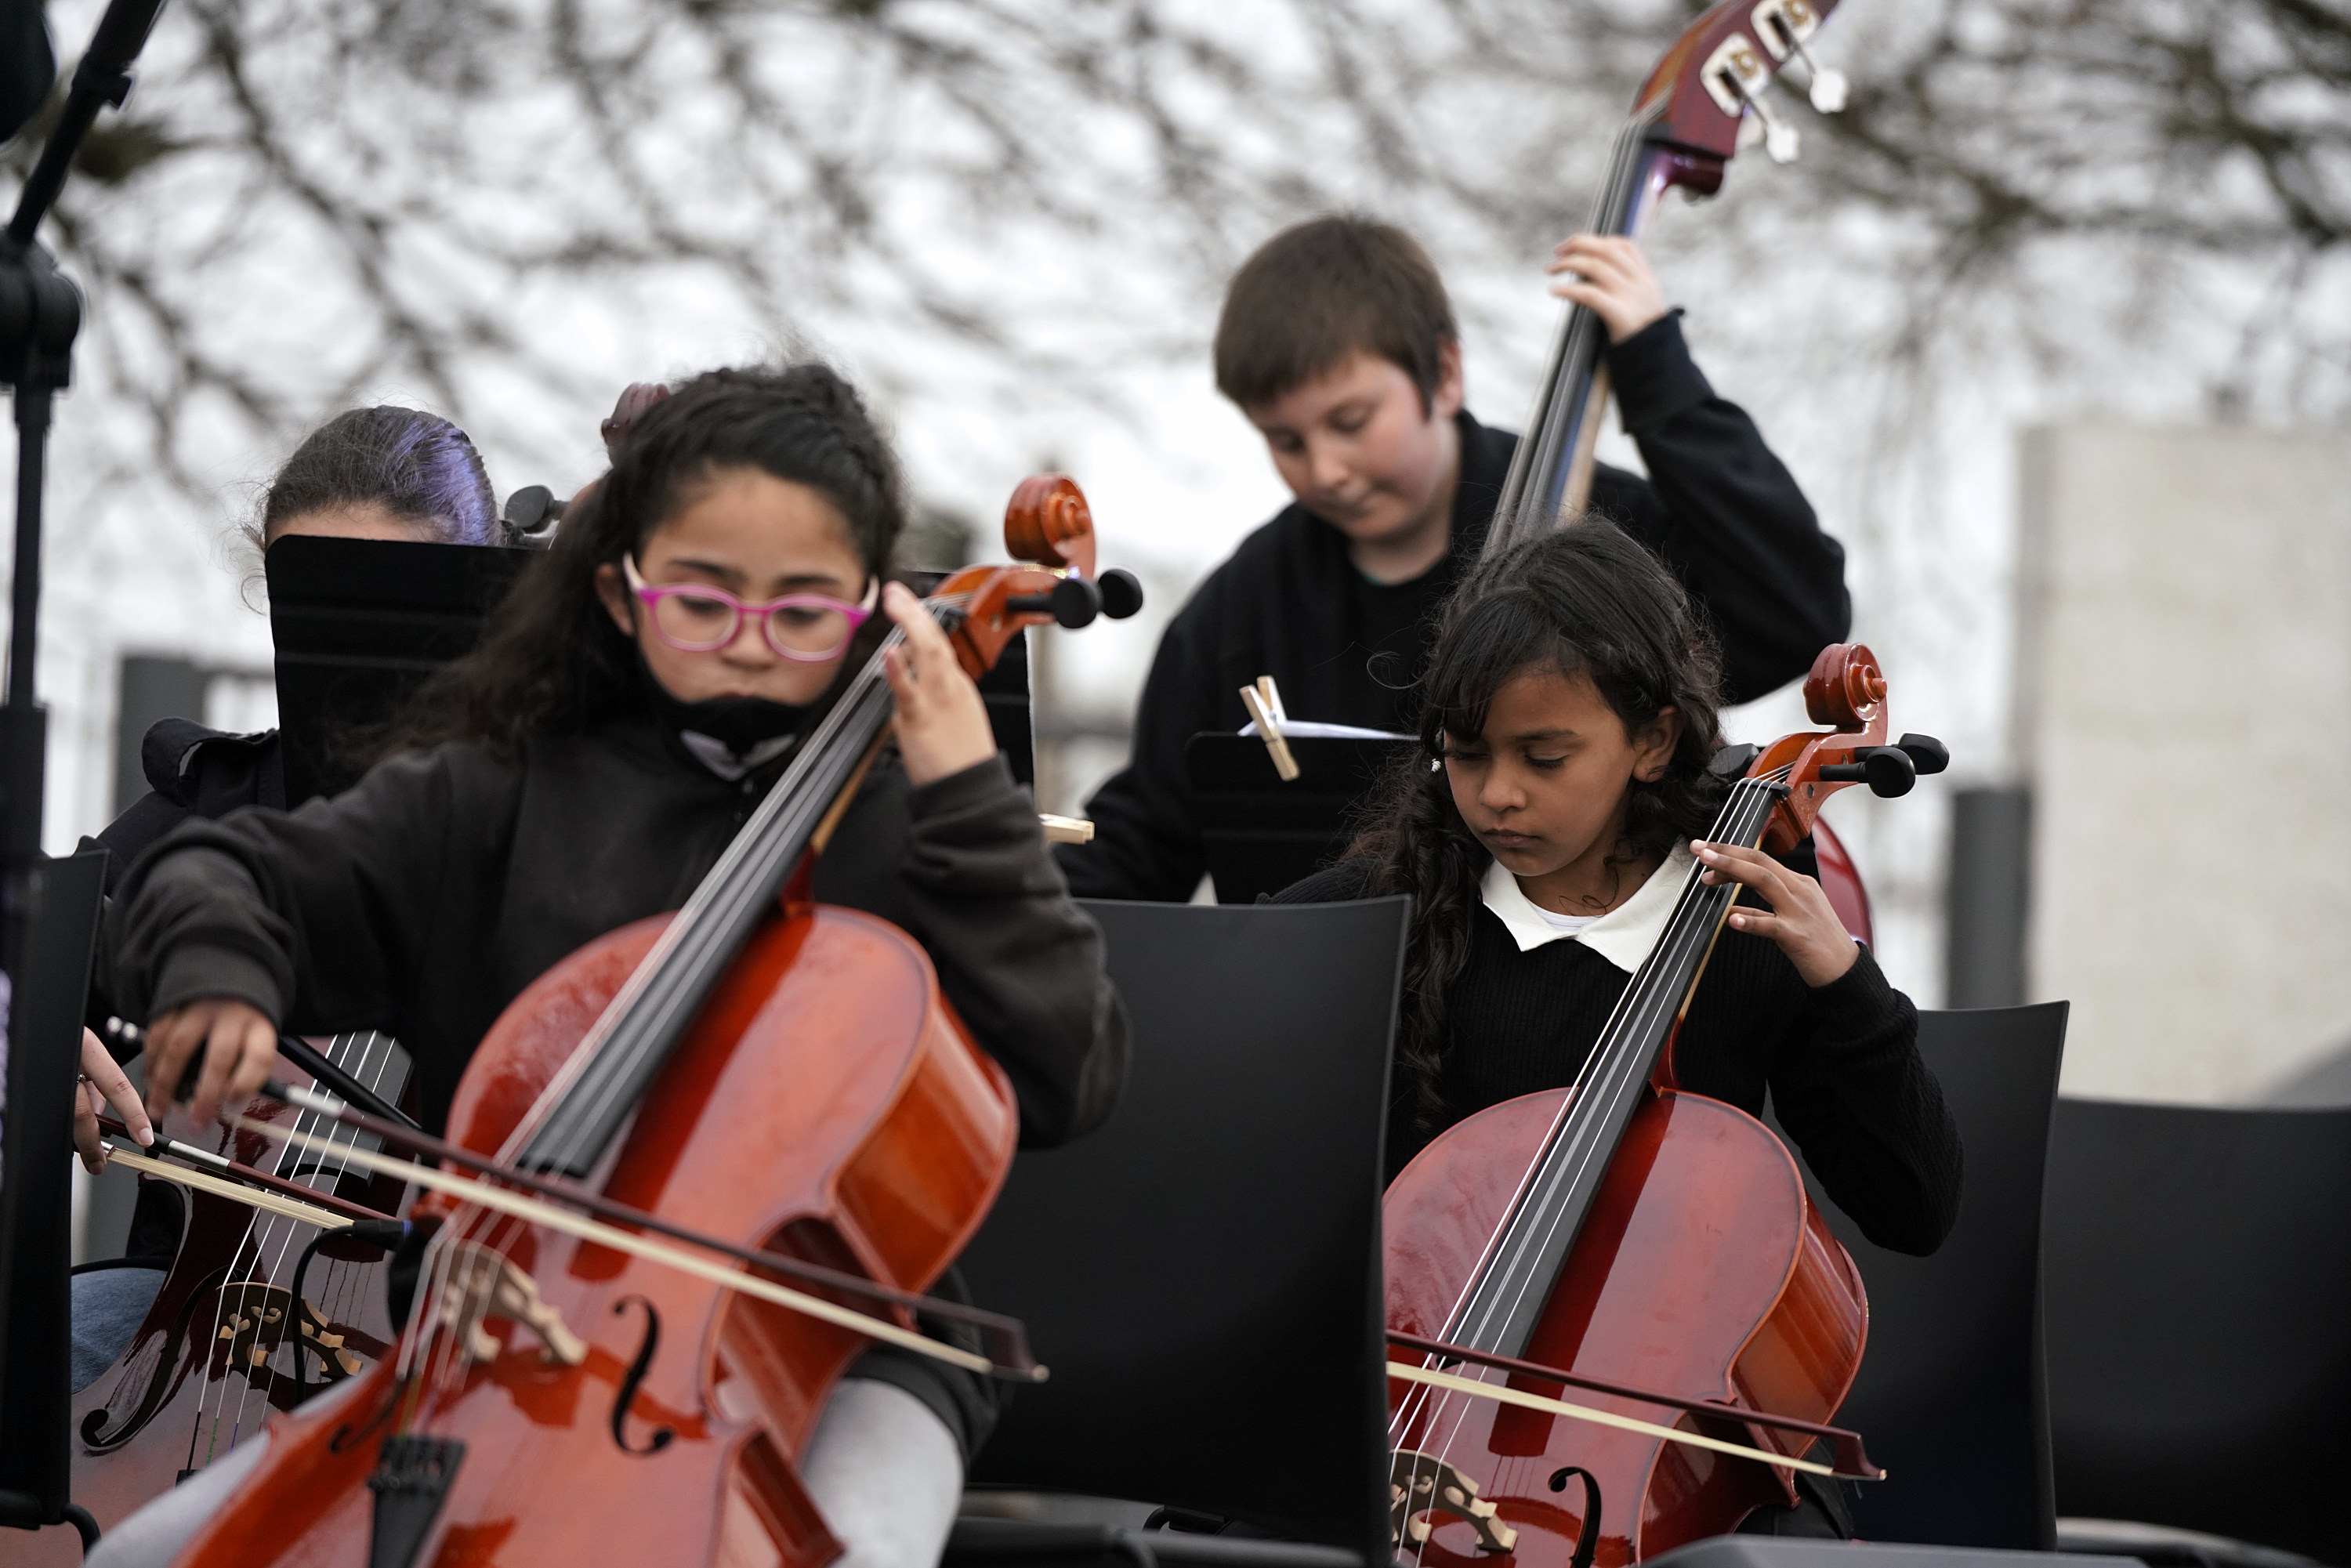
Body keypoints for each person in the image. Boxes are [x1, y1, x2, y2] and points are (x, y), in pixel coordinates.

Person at [92, 363, 1128, 1568]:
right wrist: (220, 967)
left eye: (802, 611)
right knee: (141, 1560)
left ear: (869, 603)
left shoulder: (920, 823)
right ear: (619, 592)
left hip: (847, 1360)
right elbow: (226, 873)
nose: (749, 645)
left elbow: (1071, 1066)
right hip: (489, 1340)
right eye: (701, 601)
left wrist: (970, 803)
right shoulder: (501, 789)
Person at [1269, 523, 1959, 1530]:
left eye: (1544, 757)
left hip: (1658, 1473)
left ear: (1655, 740)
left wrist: (1846, 986)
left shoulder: (1746, 924)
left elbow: (1914, 1207)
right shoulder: (1373, 918)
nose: (1497, 794)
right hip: (1397, 1443)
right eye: (1464, 754)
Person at [1060, 215, 1850, 902]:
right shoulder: (1241, 607)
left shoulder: (1601, 537)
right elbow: (1146, 840)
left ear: (1442, 374)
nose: (1324, 469)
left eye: (1350, 421)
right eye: (1286, 440)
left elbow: (1793, 613)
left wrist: (1657, 372)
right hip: (1330, 1011)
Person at [69, 404, 505, 1401]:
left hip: (449, 1319)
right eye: (308, 600)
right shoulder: (211, 806)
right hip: (192, 1318)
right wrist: (37, 1038)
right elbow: (35, 958)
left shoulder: (543, 827)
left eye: (389, 601)